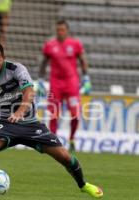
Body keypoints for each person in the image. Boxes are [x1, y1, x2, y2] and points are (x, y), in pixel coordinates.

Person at [0, 42, 103, 198]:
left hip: (30, 124)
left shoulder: (16, 69)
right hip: (5, 124)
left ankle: (84, 185)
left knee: (65, 157)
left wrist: (19, 112)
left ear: (3, 57)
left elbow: (29, 92)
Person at [38, 20, 92, 152]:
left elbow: (82, 60)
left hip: (71, 83)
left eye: (62, 30)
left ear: (67, 30)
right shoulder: (50, 45)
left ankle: (72, 138)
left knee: (76, 114)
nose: (60, 32)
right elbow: (43, 63)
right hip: (55, 83)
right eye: (58, 30)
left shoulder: (75, 44)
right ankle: (53, 141)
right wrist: (40, 79)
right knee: (54, 113)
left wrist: (86, 78)